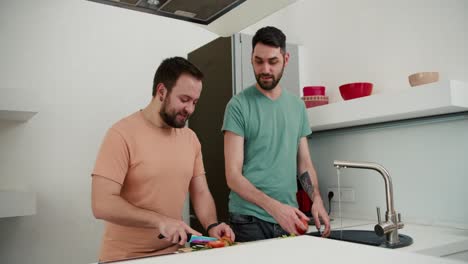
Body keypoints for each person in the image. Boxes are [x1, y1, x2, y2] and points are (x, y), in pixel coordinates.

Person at [91, 57, 234, 262]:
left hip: (174, 255)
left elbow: (200, 192)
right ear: (161, 92)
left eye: (195, 102)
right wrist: (159, 221)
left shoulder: (190, 138)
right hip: (124, 258)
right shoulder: (121, 134)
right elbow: (101, 203)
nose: (190, 109)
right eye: (184, 100)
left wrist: (212, 225)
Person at [222, 26, 331, 242]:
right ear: (251, 59)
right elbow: (233, 177)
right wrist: (274, 208)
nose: (265, 69)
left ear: (285, 58)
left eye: (273, 62)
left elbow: (304, 163)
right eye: (258, 61)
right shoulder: (238, 105)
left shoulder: (297, 106)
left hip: (289, 217)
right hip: (248, 219)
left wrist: (316, 198)